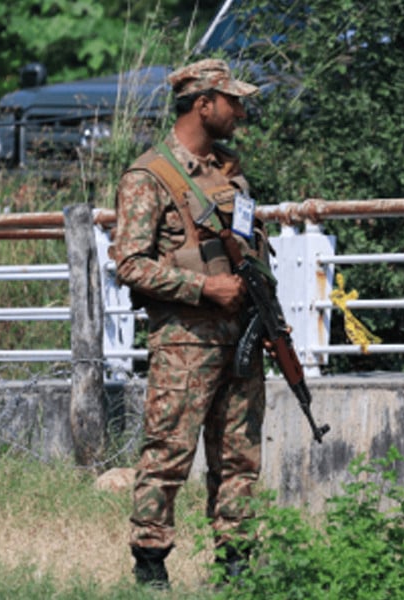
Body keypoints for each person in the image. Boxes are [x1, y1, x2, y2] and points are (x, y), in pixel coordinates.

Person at [113, 58, 266, 588]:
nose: (241, 111)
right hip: (185, 342)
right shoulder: (148, 176)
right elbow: (129, 263)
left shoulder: (230, 171)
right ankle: (150, 568)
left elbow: (247, 249)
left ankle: (237, 566)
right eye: (233, 101)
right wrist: (203, 287)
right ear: (203, 103)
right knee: (169, 453)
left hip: (241, 335)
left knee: (240, 456)